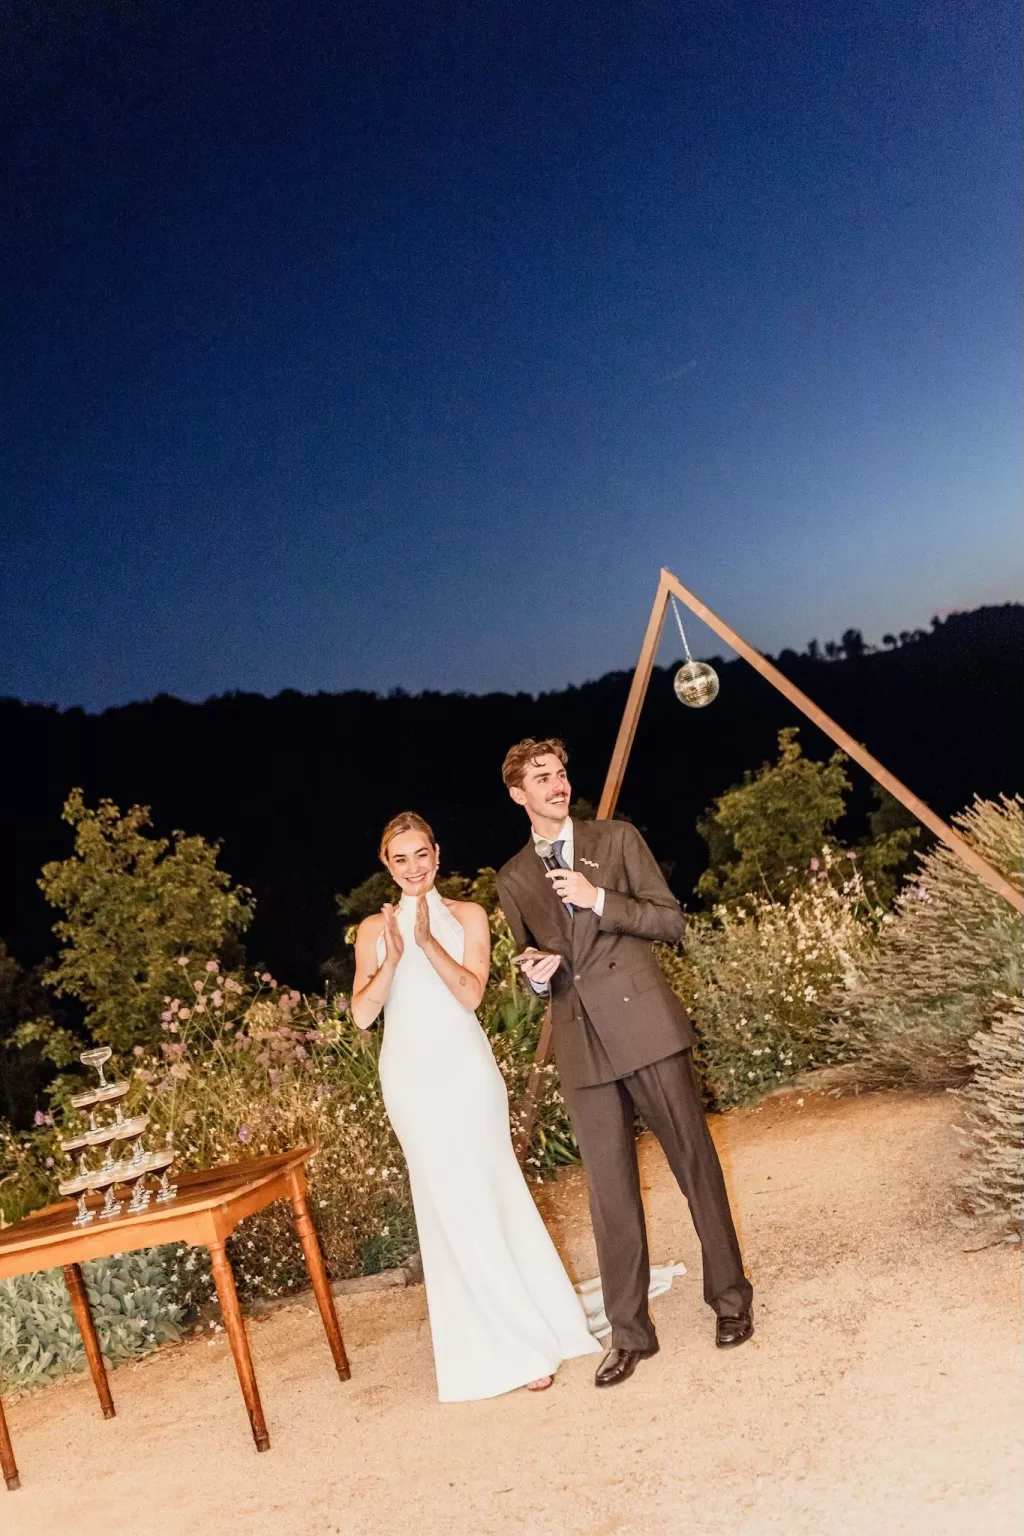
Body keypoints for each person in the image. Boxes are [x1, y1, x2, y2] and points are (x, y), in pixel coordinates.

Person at [495, 739, 754, 1389]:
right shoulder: (513, 877)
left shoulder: (616, 840)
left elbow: (670, 921)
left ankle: (730, 1299)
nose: (557, 784)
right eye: (541, 778)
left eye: (560, 773)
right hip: (582, 1043)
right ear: (518, 794)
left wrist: (599, 899)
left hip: (646, 1027)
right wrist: (536, 975)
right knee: (609, 1196)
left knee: (694, 1164)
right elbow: (530, 955)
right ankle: (630, 1333)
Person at [351, 811, 600, 1401]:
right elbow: (362, 1014)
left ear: (437, 854)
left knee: (490, 1193)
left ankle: (531, 1327)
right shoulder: (372, 929)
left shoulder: (467, 916)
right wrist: (392, 958)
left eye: (422, 854)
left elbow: (470, 994)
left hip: (466, 1073)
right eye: (400, 859)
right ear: (388, 865)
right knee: (446, 1204)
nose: (413, 867)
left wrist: (426, 943)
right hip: (409, 1079)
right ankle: (500, 1342)